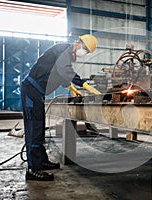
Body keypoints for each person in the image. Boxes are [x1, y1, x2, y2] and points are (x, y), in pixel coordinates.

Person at [21, 34, 100, 181]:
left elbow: (59, 74)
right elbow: (64, 70)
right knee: (34, 129)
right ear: (78, 43)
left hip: (37, 93)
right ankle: (33, 169)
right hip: (31, 90)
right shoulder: (64, 49)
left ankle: (41, 161)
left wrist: (70, 86)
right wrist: (82, 83)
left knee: (39, 127)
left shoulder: (65, 54)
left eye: (87, 52)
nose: (85, 53)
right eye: (85, 50)